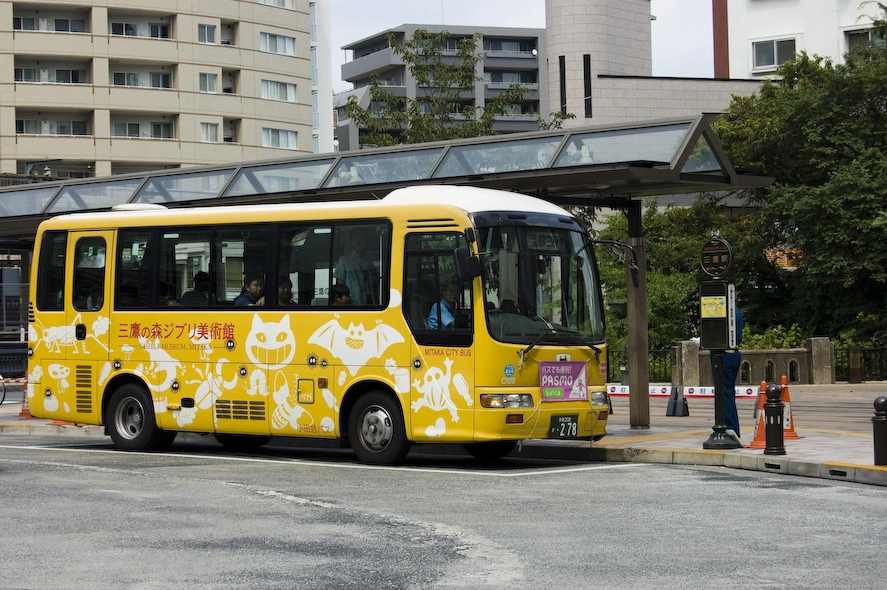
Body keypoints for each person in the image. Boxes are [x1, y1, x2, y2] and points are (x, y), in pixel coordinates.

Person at [712, 306, 744, 441]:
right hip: (734, 352)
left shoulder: (720, 310)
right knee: (729, 392)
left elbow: (715, 334)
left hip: (722, 353)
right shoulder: (736, 310)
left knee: (724, 393)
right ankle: (733, 428)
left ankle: (729, 428)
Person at [333, 228, 379, 305]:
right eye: (355, 236)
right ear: (351, 241)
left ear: (366, 240)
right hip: (353, 303)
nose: (358, 239)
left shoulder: (368, 261)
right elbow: (340, 286)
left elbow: (374, 283)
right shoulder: (344, 260)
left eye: (361, 236)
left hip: (370, 302)